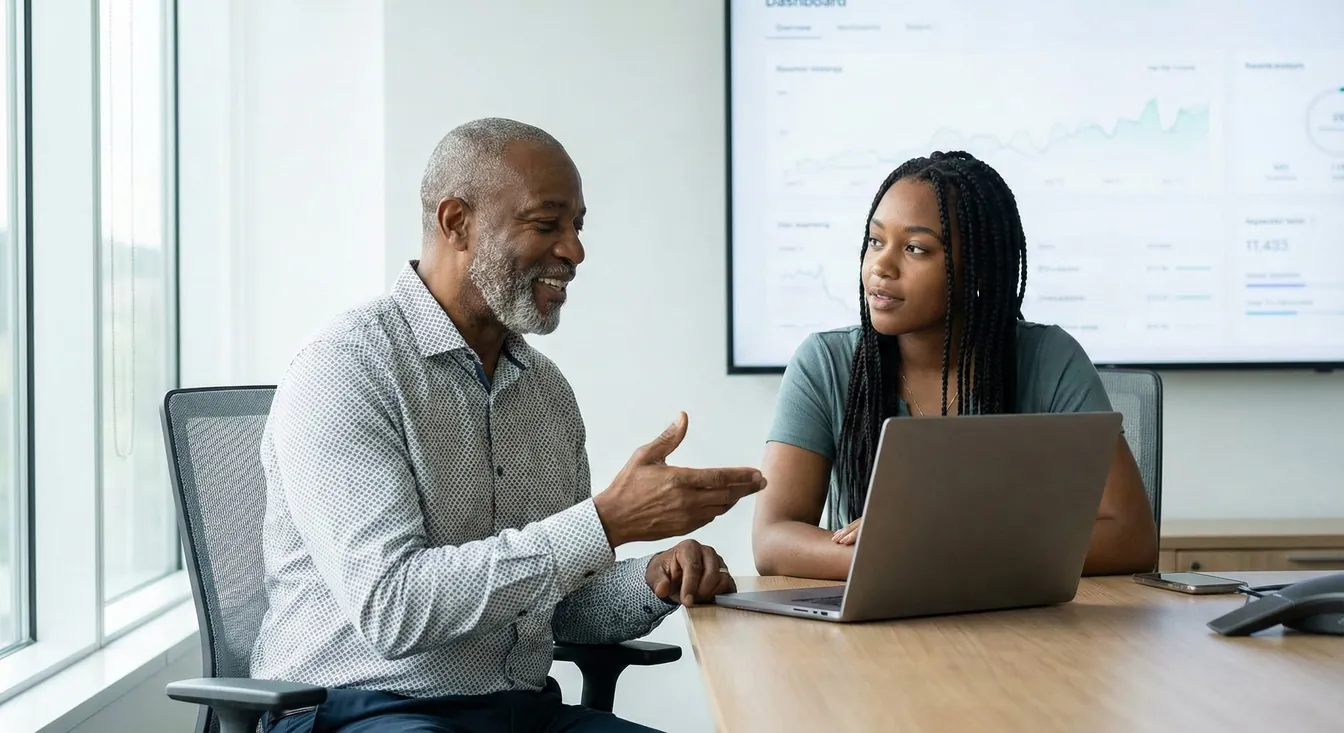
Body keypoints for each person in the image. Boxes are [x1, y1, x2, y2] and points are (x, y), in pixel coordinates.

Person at [251, 118, 766, 733]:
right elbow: (393, 609)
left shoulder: (545, 393)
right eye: (547, 224)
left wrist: (654, 579)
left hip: (524, 714)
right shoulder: (345, 368)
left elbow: (565, 608)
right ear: (456, 222)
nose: (574, 251)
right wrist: (604, 522)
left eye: (577, 227)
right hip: (360, 710)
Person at [752, 150, 1158, 582]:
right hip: (872, 628)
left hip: (1021, 628)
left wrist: (937, 548)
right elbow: (773, 540)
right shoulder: (825, 363)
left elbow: (1131, 538)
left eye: (915, 248)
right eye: (875, 241)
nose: (881, 266)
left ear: (977, 271)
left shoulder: (1049, 358)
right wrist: (896, 558)